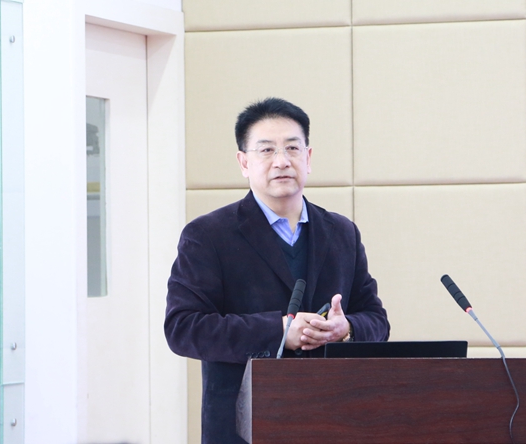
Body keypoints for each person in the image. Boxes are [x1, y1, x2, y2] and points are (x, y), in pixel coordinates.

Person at [164, 97, 390, 443]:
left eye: (292, 148)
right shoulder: (208, 235)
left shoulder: (342, 232)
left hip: (335, 420)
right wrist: (279, 331)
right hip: (244, 425)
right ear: (244, 162)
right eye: (267, 150)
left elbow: (376, 320)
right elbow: (183, 327)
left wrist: (346, 329)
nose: (282, 161)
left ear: (308, 158)